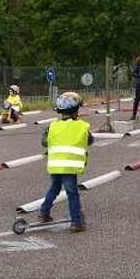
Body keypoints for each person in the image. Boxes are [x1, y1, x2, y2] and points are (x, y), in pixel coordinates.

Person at [39, 92, 92, 232]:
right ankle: (76, 222)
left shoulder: (52, 126)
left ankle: (44, 213)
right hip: (69, 166)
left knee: (54, 189)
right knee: (72, 193)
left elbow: (44, 142)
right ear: (75, 111)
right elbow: (90, 140)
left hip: (55, 165)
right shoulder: (81, 126)